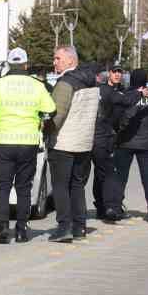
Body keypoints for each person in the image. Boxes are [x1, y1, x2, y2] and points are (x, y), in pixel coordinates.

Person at [0, 47, 55, 244]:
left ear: (10, 65)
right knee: (23, 187)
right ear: (26, 64)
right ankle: (21, 230)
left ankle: (3, 230)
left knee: (2, 187)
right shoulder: (37, 85)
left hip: (5, 141)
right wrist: (39, 118)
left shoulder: (1, 84)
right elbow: (51, 110)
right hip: (28, 142)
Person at [46, 47, 100, 243]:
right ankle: (80, 226)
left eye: (58, 58)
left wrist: (45, 130)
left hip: (64, 142)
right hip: (84, 142)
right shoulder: (92, 82)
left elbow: (56, 116)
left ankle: (64, 226)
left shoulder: (65, 83)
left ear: (70, 61)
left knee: (60, 186)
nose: (55, 62)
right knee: (77, 185)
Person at [113, 69, 148, 224]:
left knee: (121, 177)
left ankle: (116, 208)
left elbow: (118, 118)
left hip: (125, 142)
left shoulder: (126, 97)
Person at [94, 65, 133, 222]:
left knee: (105, 173)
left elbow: (126, 112)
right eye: (114, 72)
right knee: (105, 173)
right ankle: (106, 207)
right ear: (109, 74)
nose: (117, 75)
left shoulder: (123, 90)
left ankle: (110, 206)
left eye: (119, 72)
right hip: (102, 136)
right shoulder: (102, 90)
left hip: (113, 136)